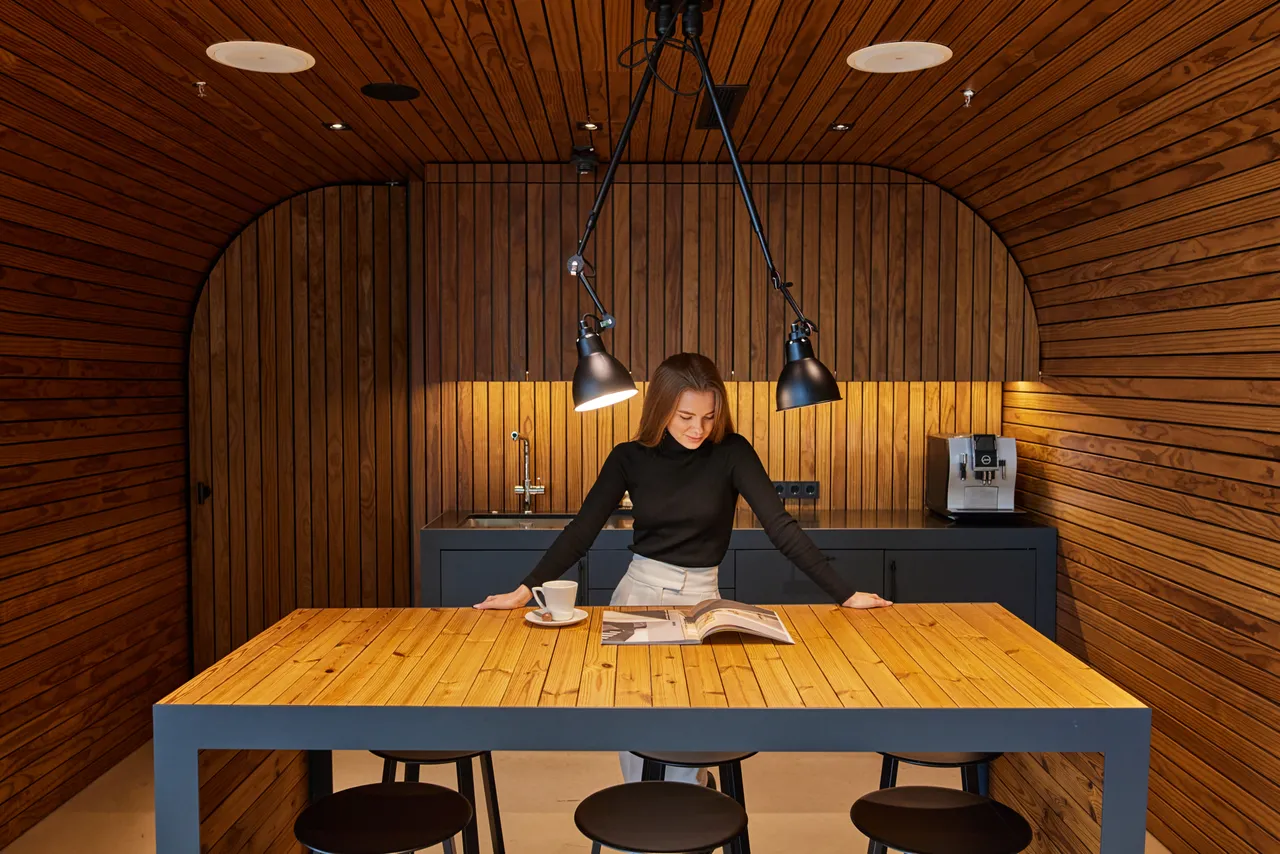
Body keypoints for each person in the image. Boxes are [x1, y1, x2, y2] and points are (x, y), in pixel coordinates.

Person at [476, 352, 891, 783]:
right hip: (638, 600)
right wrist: (525, 590)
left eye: (709, 417)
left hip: (703, 603)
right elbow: (582, 531)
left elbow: (781, 528)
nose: (699, 429)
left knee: (689, 740)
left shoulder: (733, 452)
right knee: (637, 748)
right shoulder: (629, 458)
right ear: (662, 410)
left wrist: (846, 594)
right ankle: (652, 821)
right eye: (686, 416)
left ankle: (690, 800)